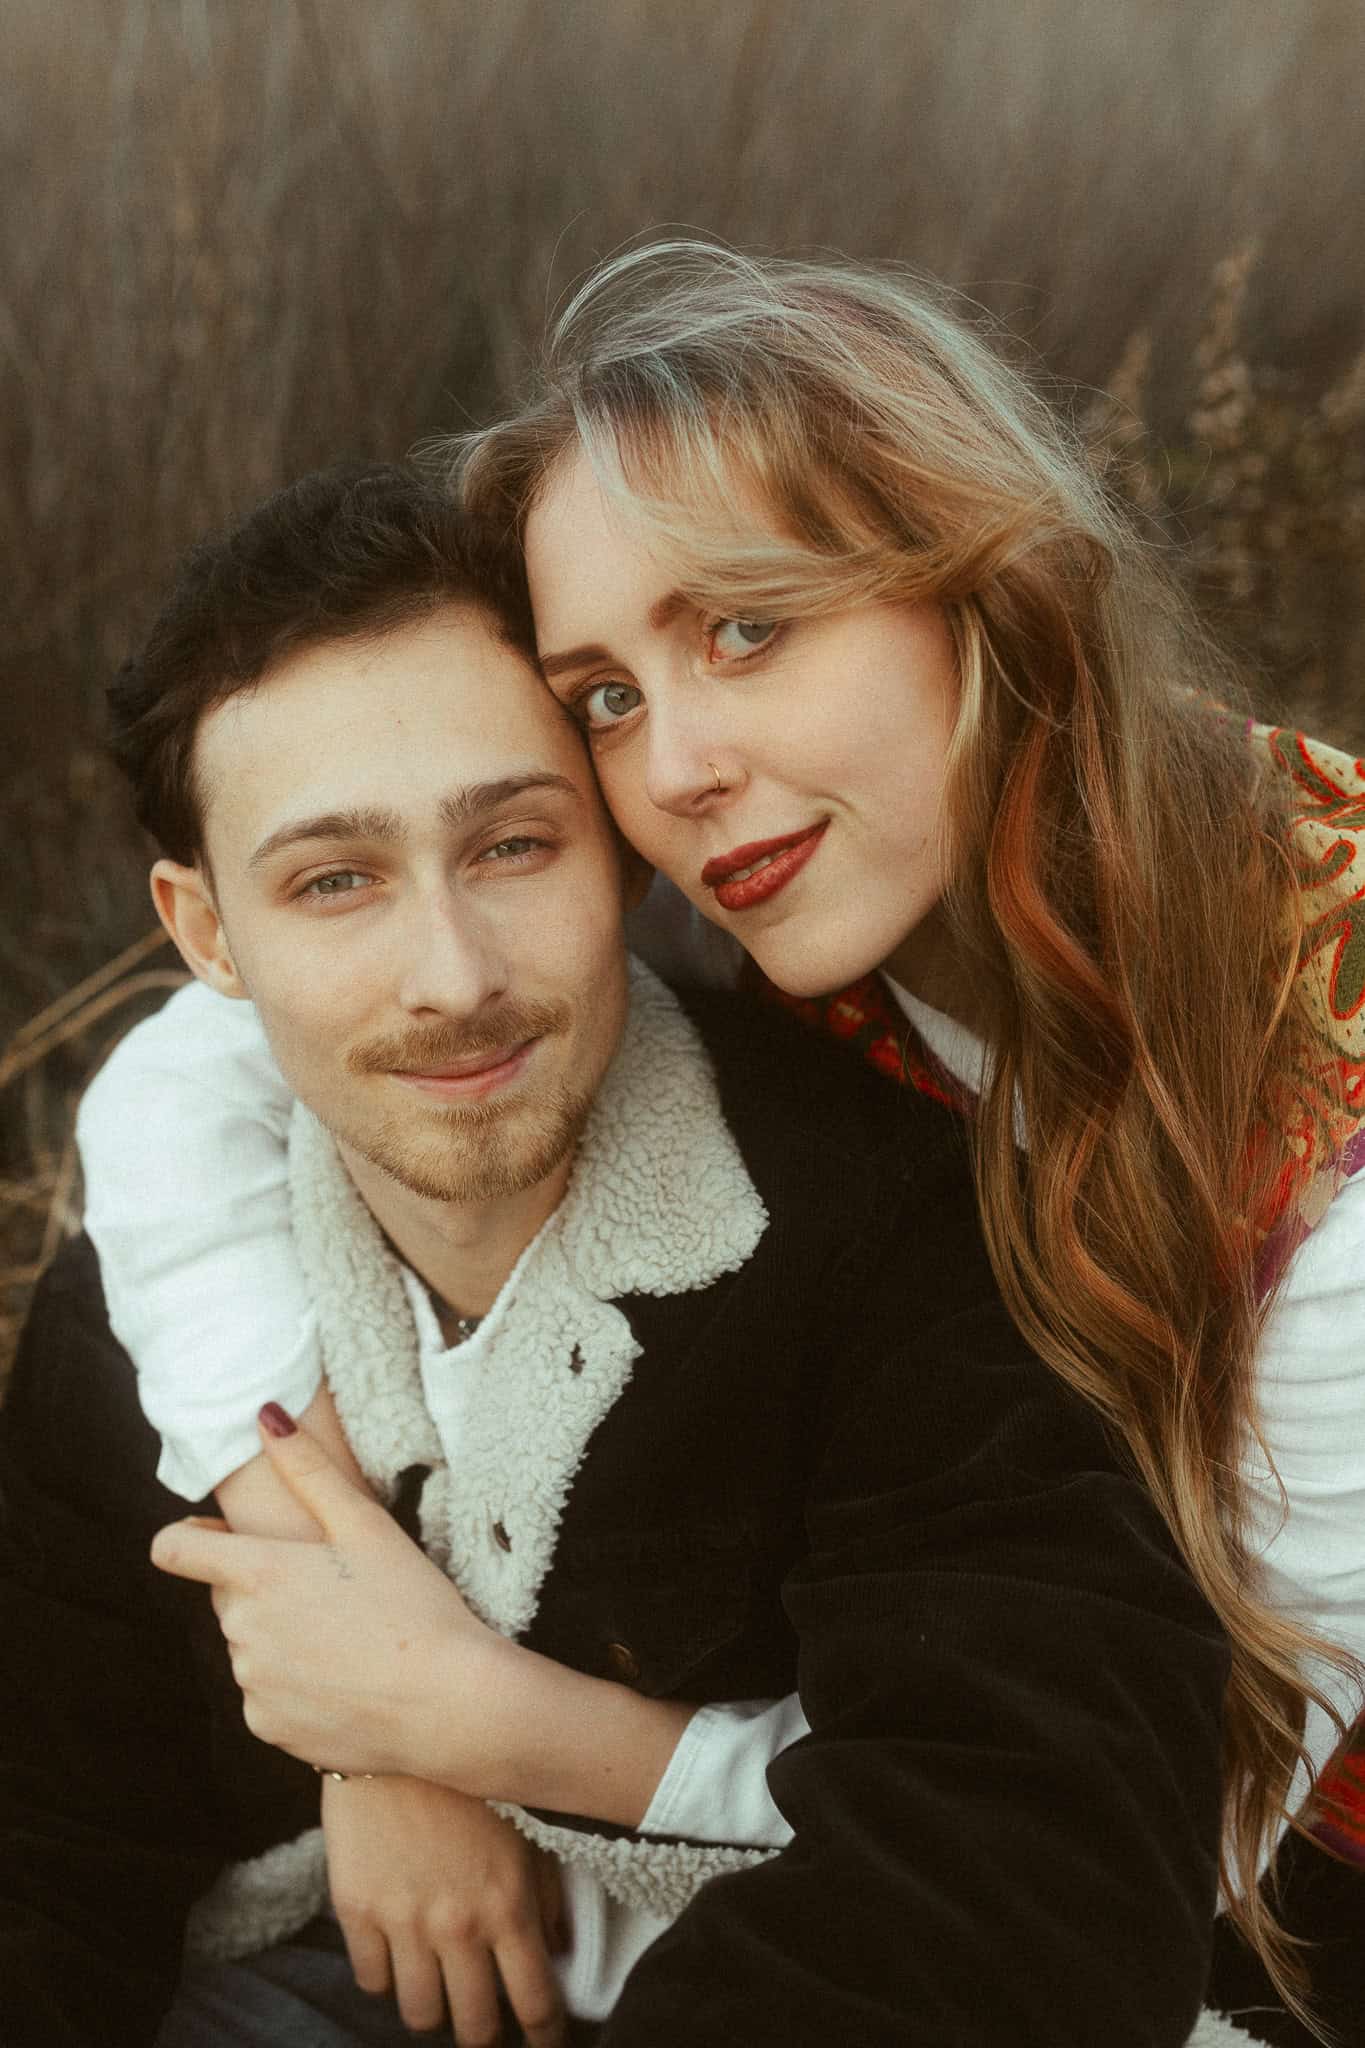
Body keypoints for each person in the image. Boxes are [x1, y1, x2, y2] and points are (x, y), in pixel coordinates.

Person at [67, 239, 1365, 2031]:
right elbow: (206, 1061)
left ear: (981, 586)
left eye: (746, 631)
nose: (672, 766)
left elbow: (1160, 1847)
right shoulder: (789, 869)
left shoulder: (1329, 1127)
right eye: (603, 694)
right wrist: (311, 1560)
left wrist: (468, 1725)